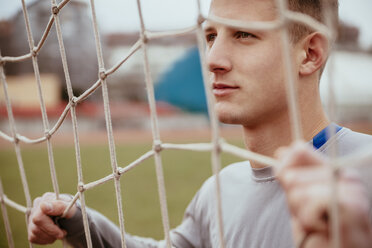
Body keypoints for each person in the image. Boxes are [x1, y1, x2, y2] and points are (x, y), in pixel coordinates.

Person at [28, 0, 372, 247]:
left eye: (244, 35)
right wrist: (82, 225)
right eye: (211, 36)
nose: (213, 60)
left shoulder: (365, 170)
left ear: (310, 54)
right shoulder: (218, 193)